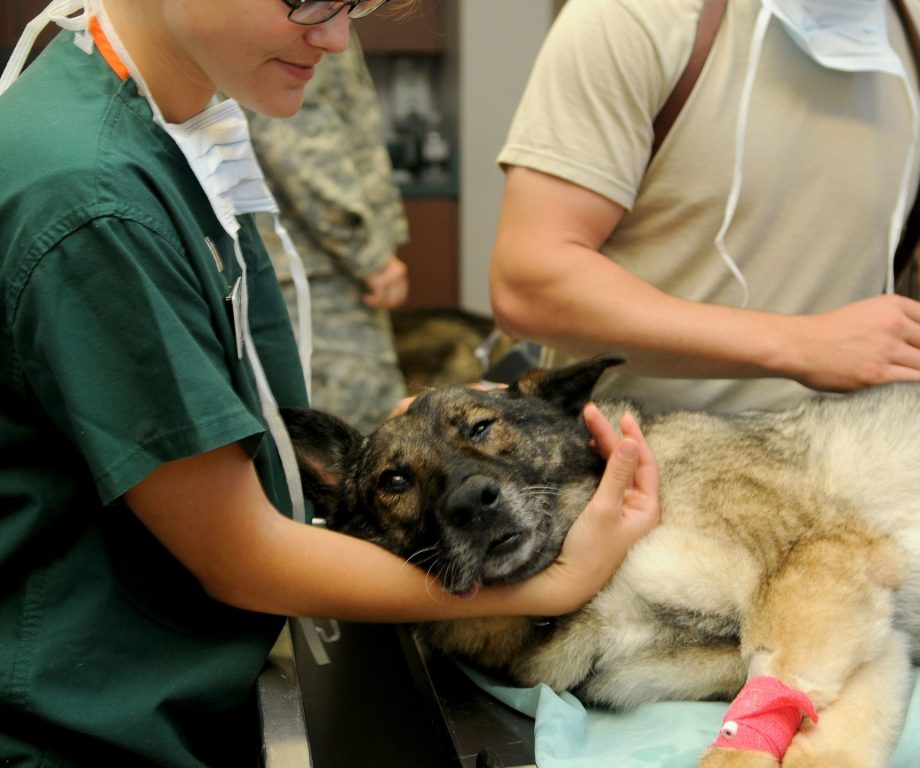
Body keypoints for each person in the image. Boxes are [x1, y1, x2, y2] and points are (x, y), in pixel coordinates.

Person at [0, 1, 660, 766]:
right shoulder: (93, 200)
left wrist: (430, 442)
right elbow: (240, 554)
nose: (338, 37)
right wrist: (554, 583)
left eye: (357, 6)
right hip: (83, 732)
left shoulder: (176, 128)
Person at [490, 0, 920, 416]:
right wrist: (801, 344)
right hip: (630, 471)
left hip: (848, 475)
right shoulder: (635, 18)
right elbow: (530, 280)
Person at [248, 32, 410, 434]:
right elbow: (297, 138)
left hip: (306, 263)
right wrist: (369, 254)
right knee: (354, 444)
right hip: (315, 270)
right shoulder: (306, 15)